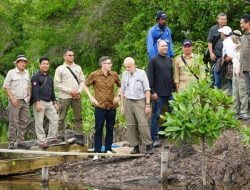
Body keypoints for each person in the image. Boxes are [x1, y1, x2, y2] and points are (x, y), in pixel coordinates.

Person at [85, 56, 121, 160]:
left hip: (111, 105)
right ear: (102, 64)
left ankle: (108, 149)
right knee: (99, 129)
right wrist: (92, 98)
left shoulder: (114, 75)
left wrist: (117, 96)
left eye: (110, 63)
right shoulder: (95, 74)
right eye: (108, 63)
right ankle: (97, 151)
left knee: (110, 128)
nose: (110, 65)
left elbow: (120, 85)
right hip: (99, 106)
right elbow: (85, 85)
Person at [120, 57, 153, 155]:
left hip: (140, 100)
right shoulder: (124, 74)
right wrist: (122, 105)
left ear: (134, 65)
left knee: (143, 123)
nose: (127, 69)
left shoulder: (141, 73)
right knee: (130, 124)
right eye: (125, 67)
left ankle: (148, 145)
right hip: (128, 101)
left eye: (129, 67)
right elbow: (122, 91)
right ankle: (135, 146)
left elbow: (147, 90)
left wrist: (147, 105)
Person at [147, 39, 175, 147]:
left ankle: (173, 134)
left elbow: (171, 76)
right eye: (163, 46)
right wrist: (153, 92)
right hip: (158, 94)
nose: (165, 47)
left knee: (173, 113)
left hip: (169, 92)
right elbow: (150, 78)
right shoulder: (153, 60)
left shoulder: (169, 60)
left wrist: (174, 90)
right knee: (156, 116)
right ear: (158, 47)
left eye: (166, 46)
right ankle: (154, 138)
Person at [54, 49, 85, 145]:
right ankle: (60, 136)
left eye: (73, 55)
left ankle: (79, 136)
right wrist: (70, 91)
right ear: (65, 57)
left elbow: (82, 81)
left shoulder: (78, 67)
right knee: (61, 117)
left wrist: (78, 91)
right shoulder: (60, 69)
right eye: (70, 55)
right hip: (64, 96)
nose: (72, 57)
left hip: (77, 96)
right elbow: (57, 84)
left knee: (78, 117)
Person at [31, 57, 59, 148]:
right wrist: (37, 102)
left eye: (47, 64)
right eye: (43, 63)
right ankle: (41, 140)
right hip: (39, 102)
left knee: (55, 118)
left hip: (49, 102)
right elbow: (35, 90)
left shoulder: (49, 77)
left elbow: (52, 91)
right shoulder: (35, 77)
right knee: (39, 122)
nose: (45, 65)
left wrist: (55, 102)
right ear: (40, 65)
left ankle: (51, 138)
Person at [3, 55, 30, 149]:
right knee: (14, 121)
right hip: (15, 100)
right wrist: (12, 99)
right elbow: (6, 87)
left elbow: (28, 85)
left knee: (24, 121)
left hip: (25, 100)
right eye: (21, 62)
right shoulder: (11, 72)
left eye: (24, 62)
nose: (23, 63)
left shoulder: (27, 72)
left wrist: (29, 95)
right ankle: (11, 142)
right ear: (17, 63)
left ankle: (20, 142)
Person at [231, 30, 249, 120]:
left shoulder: (243, 47)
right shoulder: (234, 47)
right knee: (235, 92)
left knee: (242, 92)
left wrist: (240, 70)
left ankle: (244, 111)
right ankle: (235, 111)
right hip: (235, 71)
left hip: (241, 71)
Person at [207, 13, 227, 89]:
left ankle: (221, 92)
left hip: (225, 57)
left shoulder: (228, 29)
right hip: (215, 56)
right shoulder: (213, 29)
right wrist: (211, 53)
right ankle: (213, 92)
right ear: (218, 20)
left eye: (225, 19)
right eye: (221, 19)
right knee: (214, 75)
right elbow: (209, 41)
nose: (223, 21)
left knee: (225, 75)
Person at [218, 26, 234, 94]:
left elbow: (231, 56)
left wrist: (224, 59)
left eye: (221, 33)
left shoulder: (228, 42)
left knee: (232, 86)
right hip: (232, 67)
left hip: (231, 67)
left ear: (224, 34)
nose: (220, 34)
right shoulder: (230, 40)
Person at [240, 14, 250, 96]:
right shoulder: (243, 36)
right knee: (248, 91)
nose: (241, 25)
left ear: (248, 23)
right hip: (245, 68)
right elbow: (242, 52)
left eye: (242, 23)